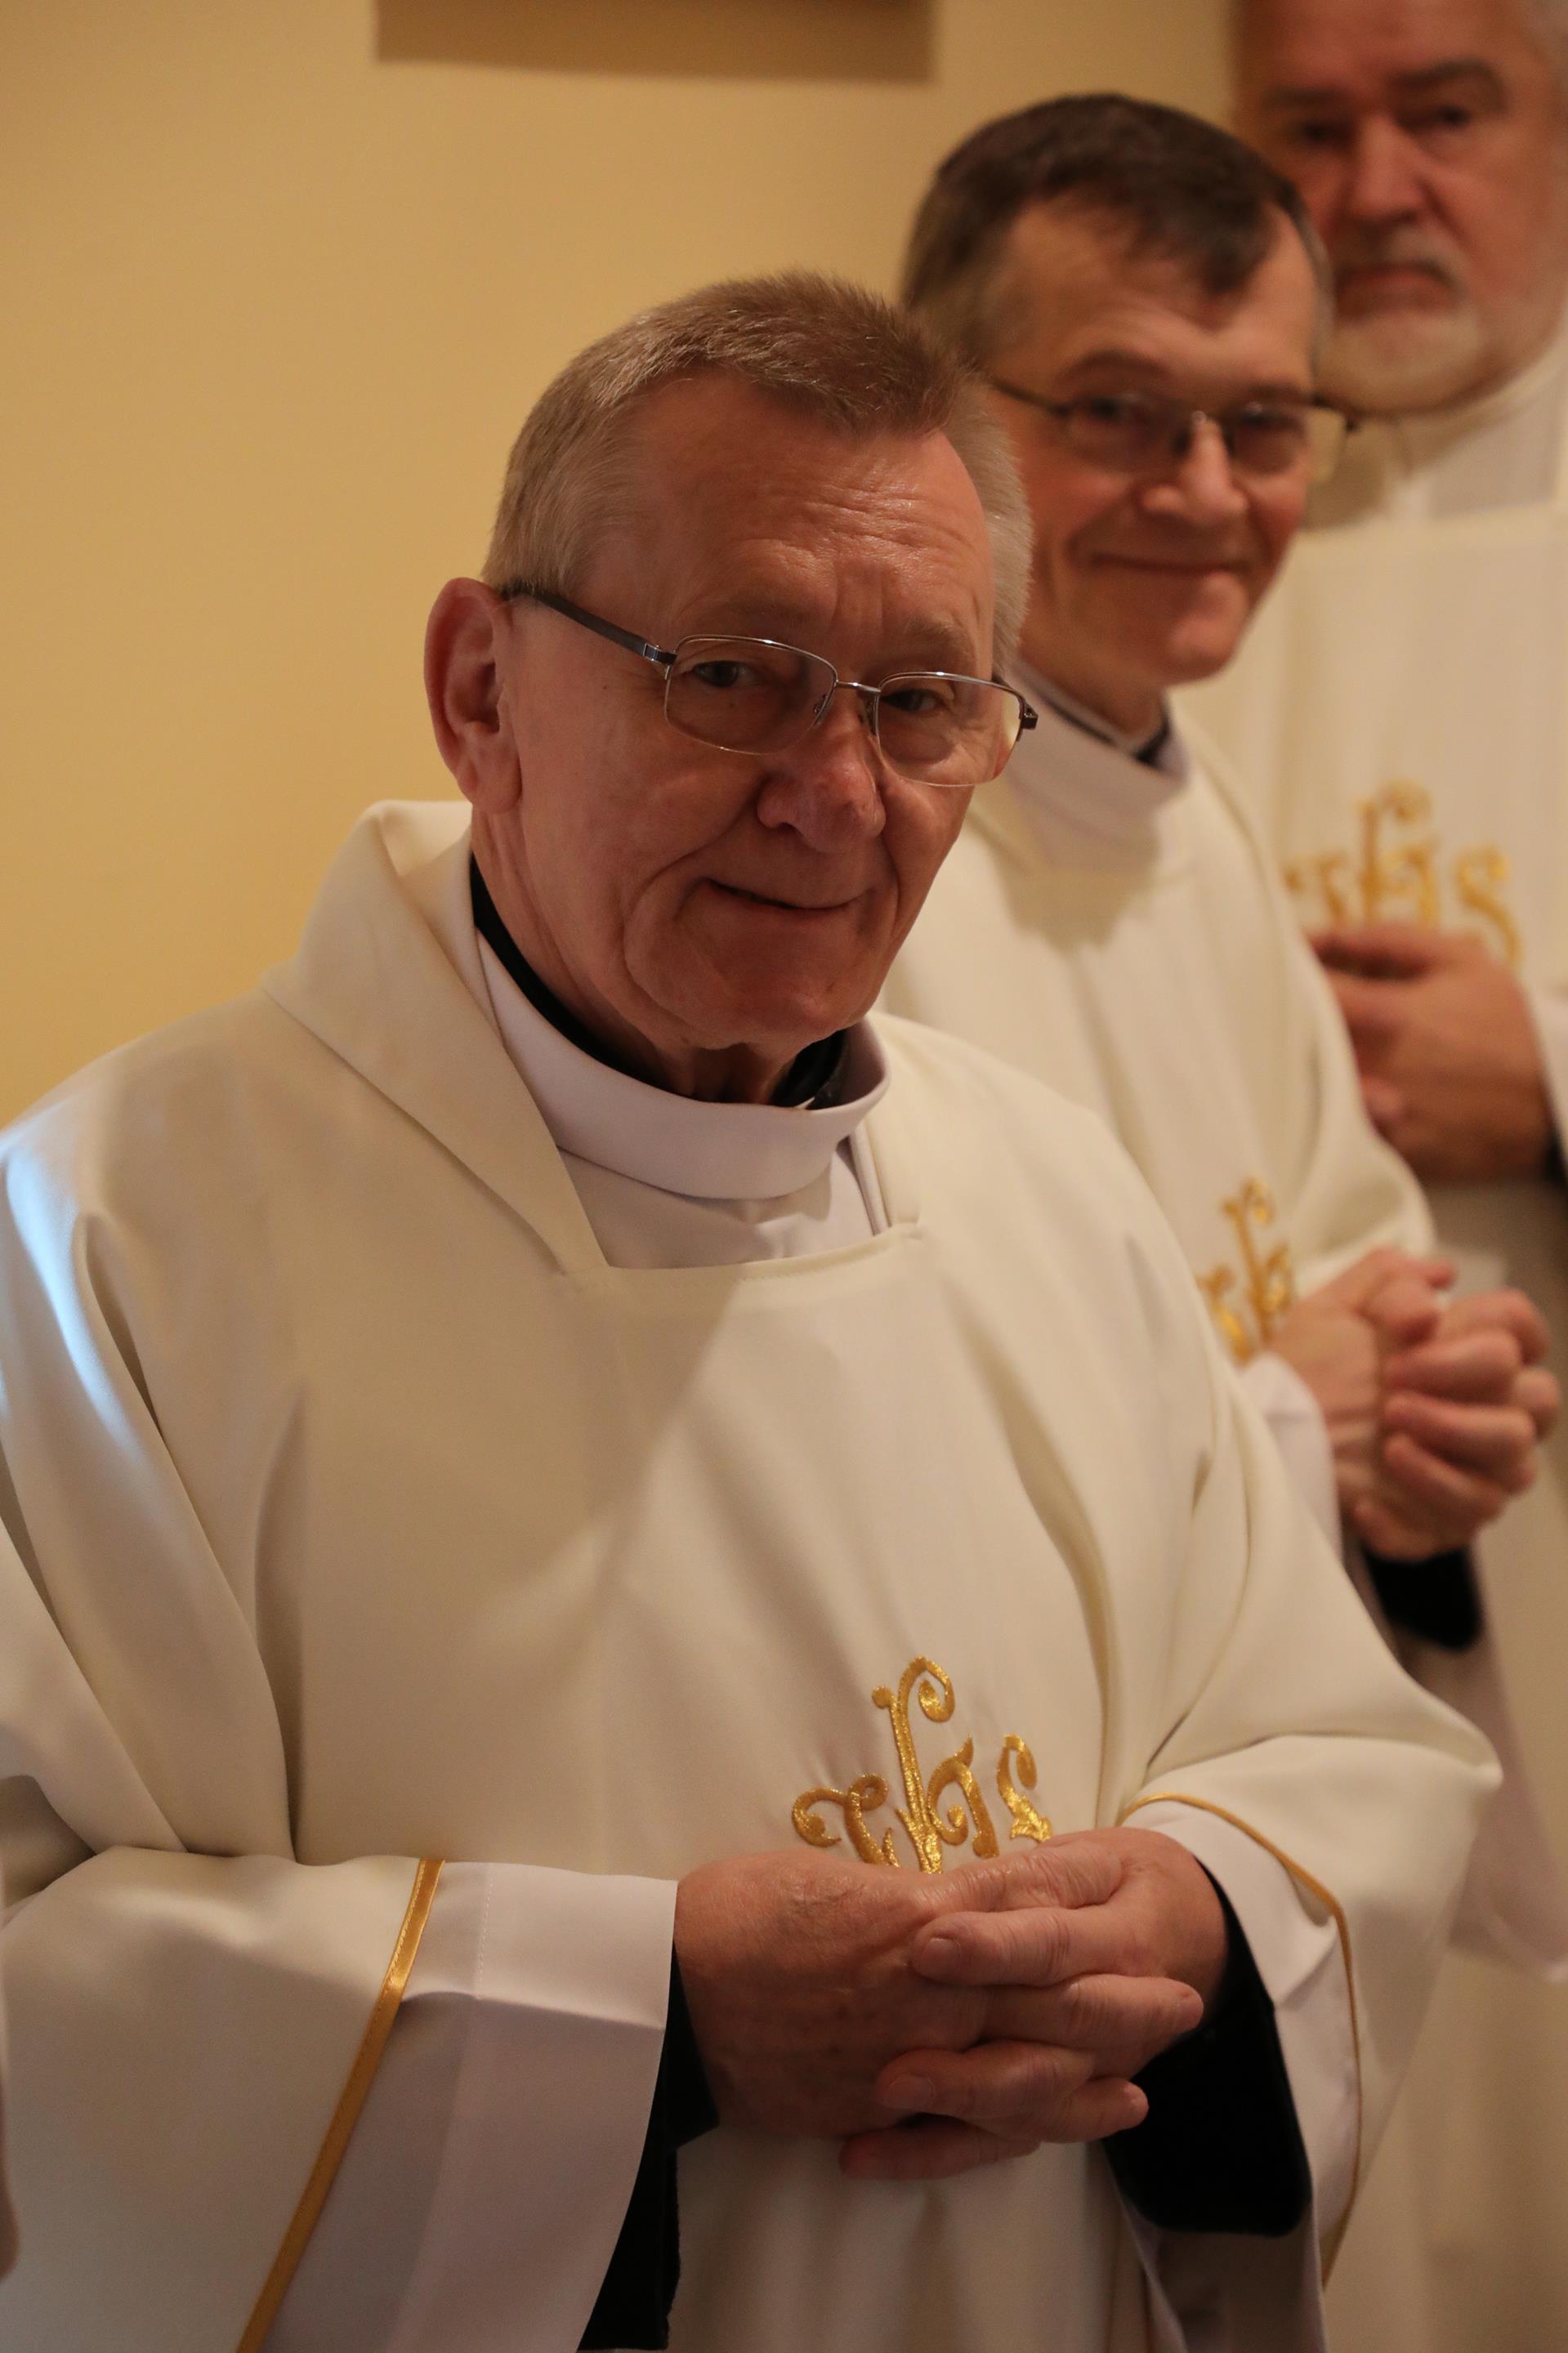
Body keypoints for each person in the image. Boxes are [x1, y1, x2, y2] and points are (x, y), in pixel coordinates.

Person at [0, 273, 1494, 2353]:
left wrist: (1203, 1913)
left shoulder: (1050, 1192)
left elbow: (1332, 1744)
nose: (838, 793)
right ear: (479, 689)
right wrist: (656, 2028)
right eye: (736, 676)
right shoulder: (110, 1252)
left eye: (923, 702)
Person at [885, 91, 1564, 2353]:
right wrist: (1297, 1424)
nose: (1211, 492)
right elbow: (852, 1455)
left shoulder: (1186, 807)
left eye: (1267, 424)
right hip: (1033, 1920)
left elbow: (1344, 1257)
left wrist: (1441, 1406)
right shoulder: (863, 869)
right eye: (1120, 414)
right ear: (945, 408)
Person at [1184, 5, 1568, 2341]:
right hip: (1288, 1548)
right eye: (1310, 127)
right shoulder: (1154, 523)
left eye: (1448, 112)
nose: (1376, 187)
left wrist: (1562, 1078)